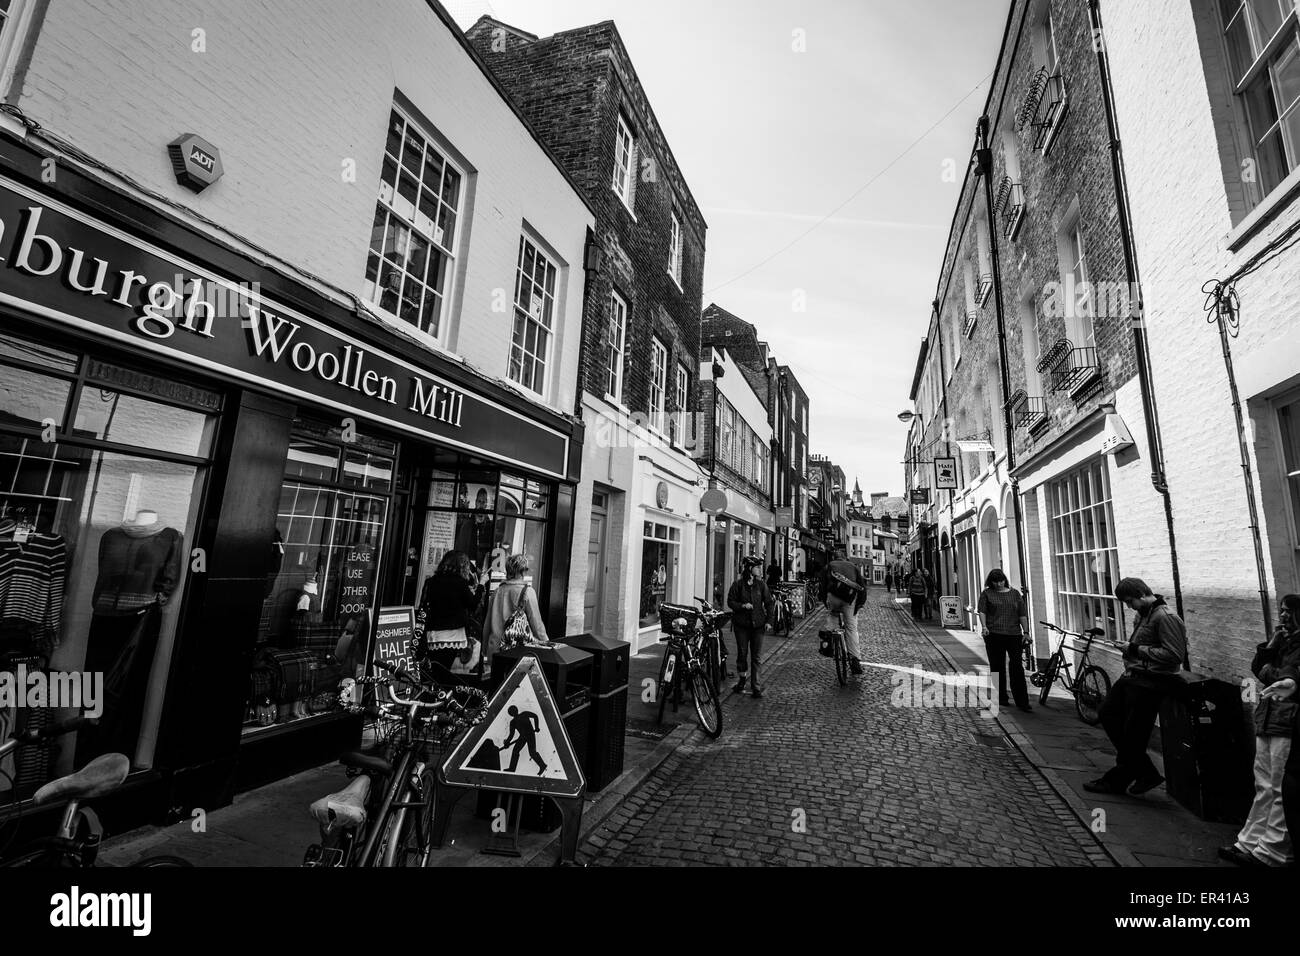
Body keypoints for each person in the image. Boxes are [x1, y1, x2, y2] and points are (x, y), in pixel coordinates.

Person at [1083, 577, 1187, 797]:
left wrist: (1135, 649)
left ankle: (1117, 781)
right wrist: (1128, 649)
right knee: (1108, 715)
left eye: (1130, 601)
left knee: (1133, 735)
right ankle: (1146, 773)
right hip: (1134, 676)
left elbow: (1175, 655)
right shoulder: (1143, 614)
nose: (1129, 607)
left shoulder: (1166, 617)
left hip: (1152, 682)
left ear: (1141, 594)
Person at [1219, 593, 1300, 867]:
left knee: (1280, 789)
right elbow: (1259, 668)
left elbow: (1283, 676)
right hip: (1269, 717)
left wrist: (1271, 669)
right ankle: (1250, 843)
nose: (1283, 615)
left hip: (1288, 722)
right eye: (1281, 610)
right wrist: (1271, 646)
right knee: (1264, 785)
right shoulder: (1284, 641)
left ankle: (1274, 853)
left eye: (1288, 611)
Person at [977, 569, 1031, 713]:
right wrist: (984, 626)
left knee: (1017, 666)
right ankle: (1001, 697)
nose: (999, 584)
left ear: (1004, 580)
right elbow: (982, 611)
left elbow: (1022, 614)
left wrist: (1026, 632)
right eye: (995, 582)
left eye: (1001, 581)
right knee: (997, 666)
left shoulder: (1014, 594)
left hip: (1014, 634)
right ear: (991, 582)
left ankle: (1022, 701)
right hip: (994, 634)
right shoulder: (987, 594)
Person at [417, 550, 482, 667]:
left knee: (435, 669)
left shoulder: (431, 581)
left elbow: (424, 605)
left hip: (433, 634)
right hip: (453, 634)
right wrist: (480, 587)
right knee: (445, 671)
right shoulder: (460, 583)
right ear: (463, 566)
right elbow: (472, 604)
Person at [485, 553, 548, 668]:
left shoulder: (497, 592)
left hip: (495, 649)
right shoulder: (528, 592)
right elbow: (537, 625)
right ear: (523, 571)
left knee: (498, 683)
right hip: (517, 650)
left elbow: (487, 623)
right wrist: (547, 644)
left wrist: (485, 648)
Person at [728, 555, 774, 698]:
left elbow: (769, 603)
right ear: (749, 568)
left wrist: (769, 621)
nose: (760, 570)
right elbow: (730, 602)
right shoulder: (738, 585)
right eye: (757, 567)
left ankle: (756, 686)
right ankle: (742, 681)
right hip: (741, 625)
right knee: (742, 654)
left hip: (758, 626)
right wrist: (742, 606)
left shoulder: (761, 585)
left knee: (756, 657)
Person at [822, 548, 866, 676]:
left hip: (833, 598)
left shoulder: (829, 566)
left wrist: (826, 602)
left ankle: (829, 644)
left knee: (832, 617)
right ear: (845, 558)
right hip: (849, 599)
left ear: (834, 558)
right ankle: (854, 660)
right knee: (851, 628)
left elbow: (823, 585)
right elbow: (862, 586)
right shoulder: (853, 567)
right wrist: (860, 603)